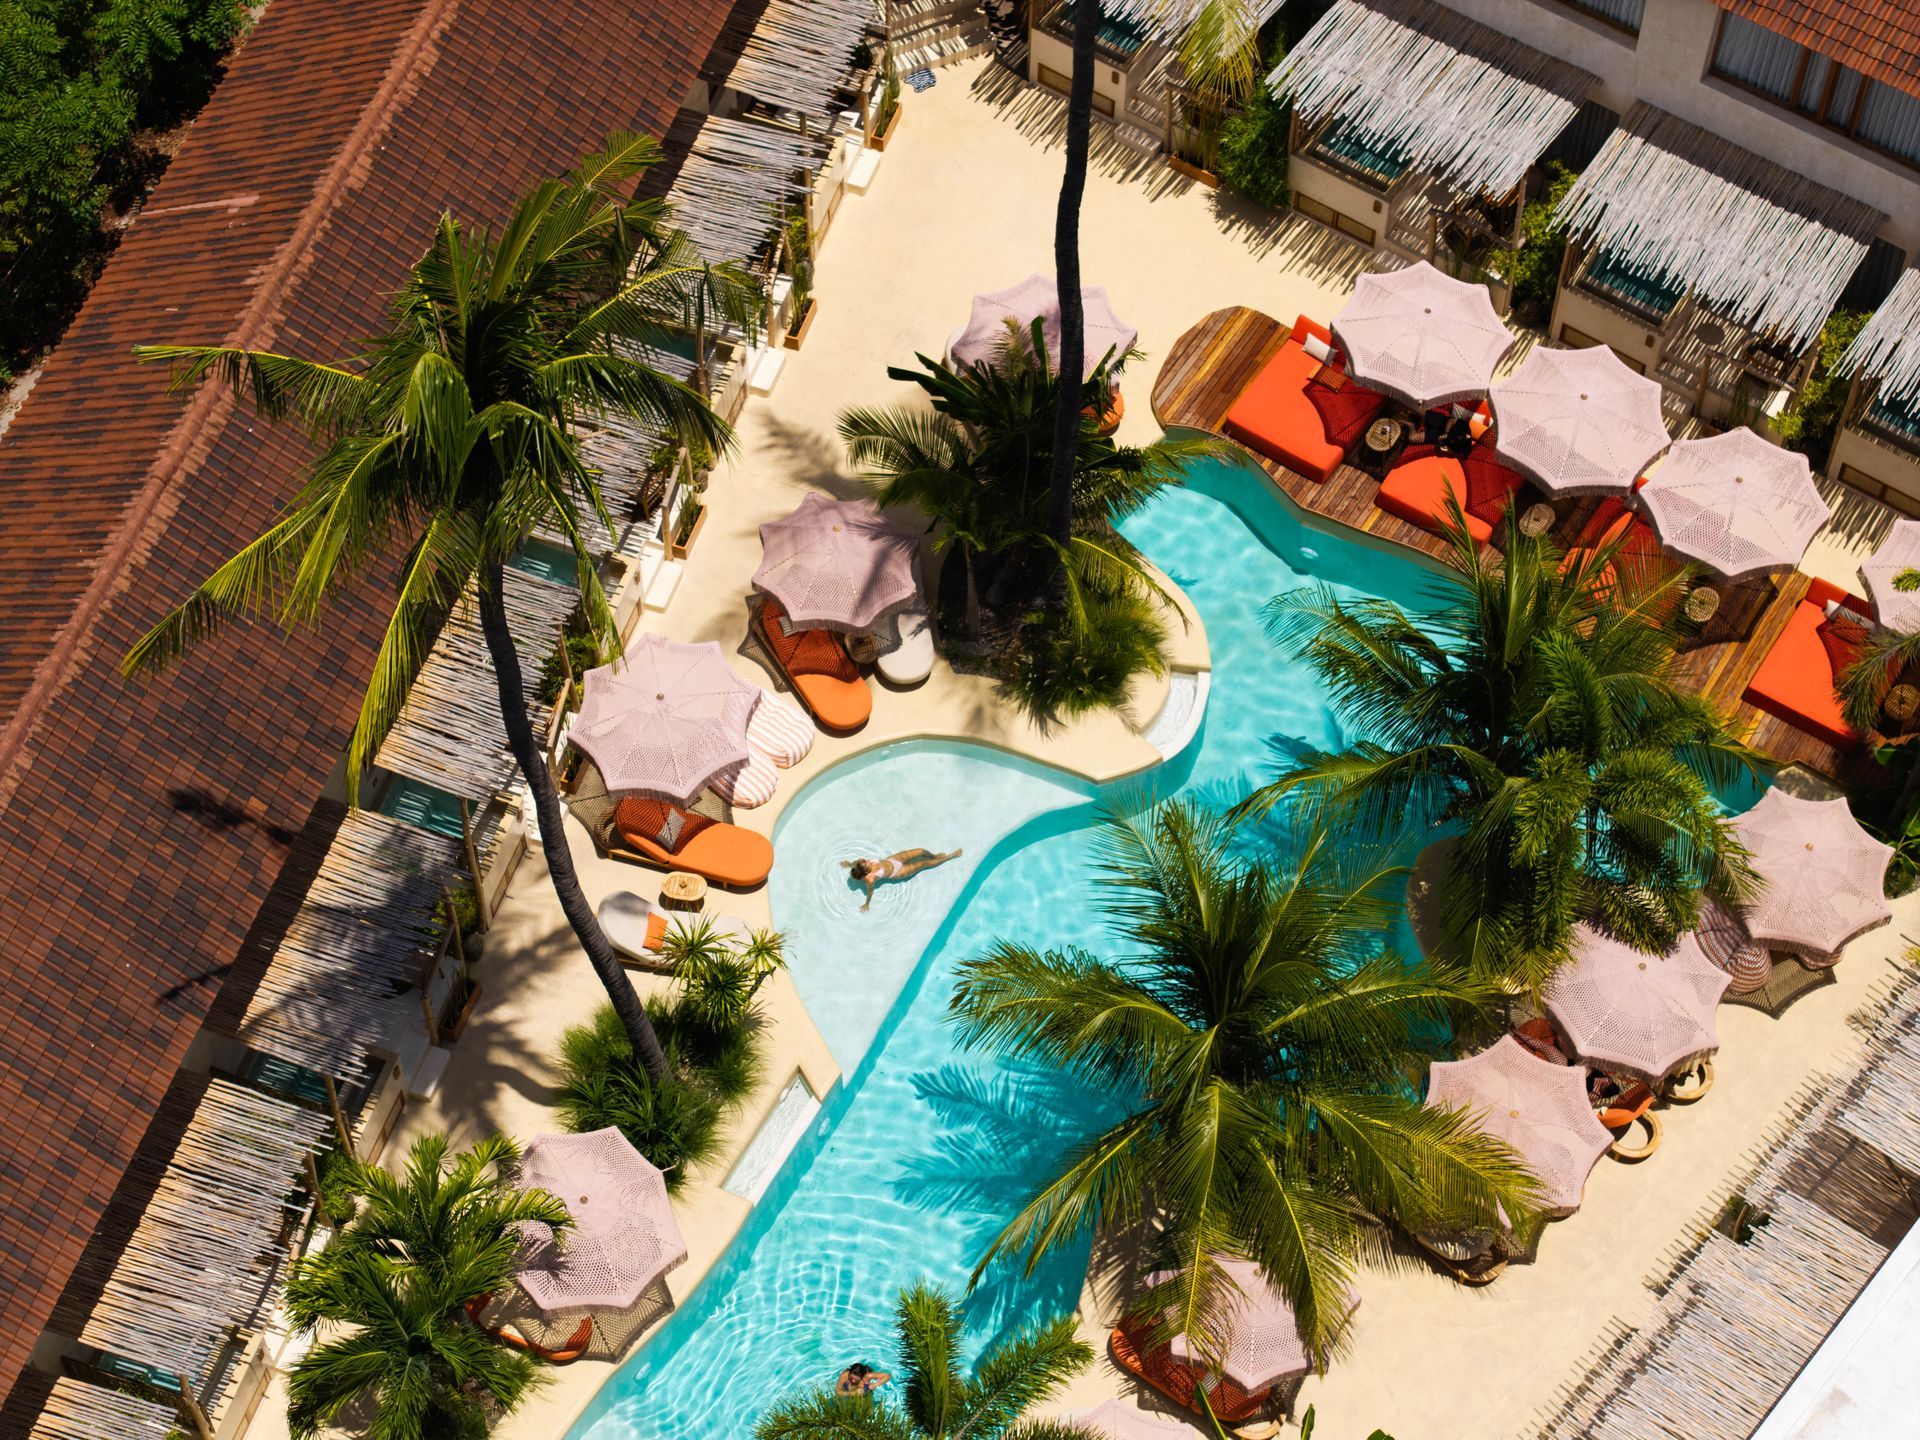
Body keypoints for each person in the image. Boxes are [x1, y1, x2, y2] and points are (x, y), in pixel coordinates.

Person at [841, 848, 962, 911]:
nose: (866, 860)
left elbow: (855, 864)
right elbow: (870, 892)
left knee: (920, 851)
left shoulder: (860, 863)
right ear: (866, 871)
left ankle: (935, 855)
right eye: (867, 863)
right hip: (898, 872)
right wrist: (867, 904)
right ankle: (950, 856)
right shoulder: (870, 878)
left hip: (893, 860)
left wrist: (849, 864)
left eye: (865, 860)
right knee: (924, 863)